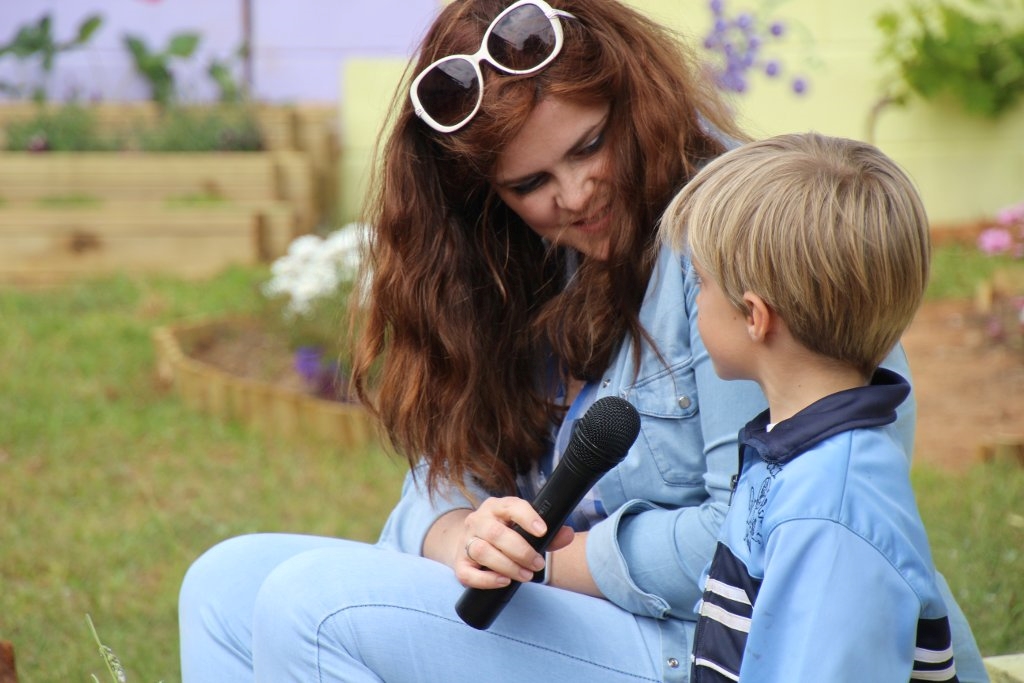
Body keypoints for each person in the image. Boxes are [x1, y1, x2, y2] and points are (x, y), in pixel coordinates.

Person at [177, 1, 988, 681]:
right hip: (575, 608)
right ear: (485, 197)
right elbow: (450, 469)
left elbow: (762, 530)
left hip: (700, 643)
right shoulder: (514, 259)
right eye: (529, 184)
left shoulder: (745, 241)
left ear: (632, 96)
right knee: (222, 583)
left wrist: (559, 562)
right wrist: (459, 533)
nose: (573, 195)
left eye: (588, 145)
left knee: (312, 607)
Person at [660, 132, 963, 682]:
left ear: (754, 316)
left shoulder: (829, 513)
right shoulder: (795, 455)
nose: (694, 300)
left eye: (699, 282)